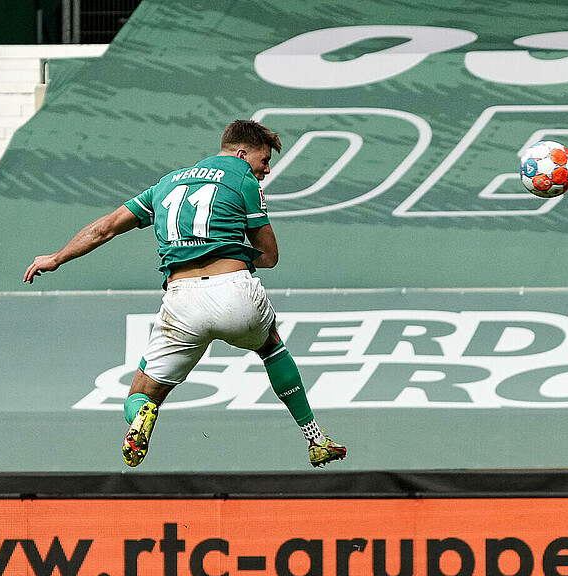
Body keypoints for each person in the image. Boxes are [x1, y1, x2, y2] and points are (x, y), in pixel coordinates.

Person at [23, 120, 347, 469]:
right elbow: (269, 256)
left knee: (140, 394)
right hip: (235, 292)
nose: (266, 169)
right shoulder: (243, 179)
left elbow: (104, 229)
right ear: (241, 154)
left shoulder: (164, 185)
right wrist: (234, 250)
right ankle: (315, 439)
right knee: (271, 346)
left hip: (182, 301)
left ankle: (144, 414)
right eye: (264, 160)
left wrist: (55, 258)